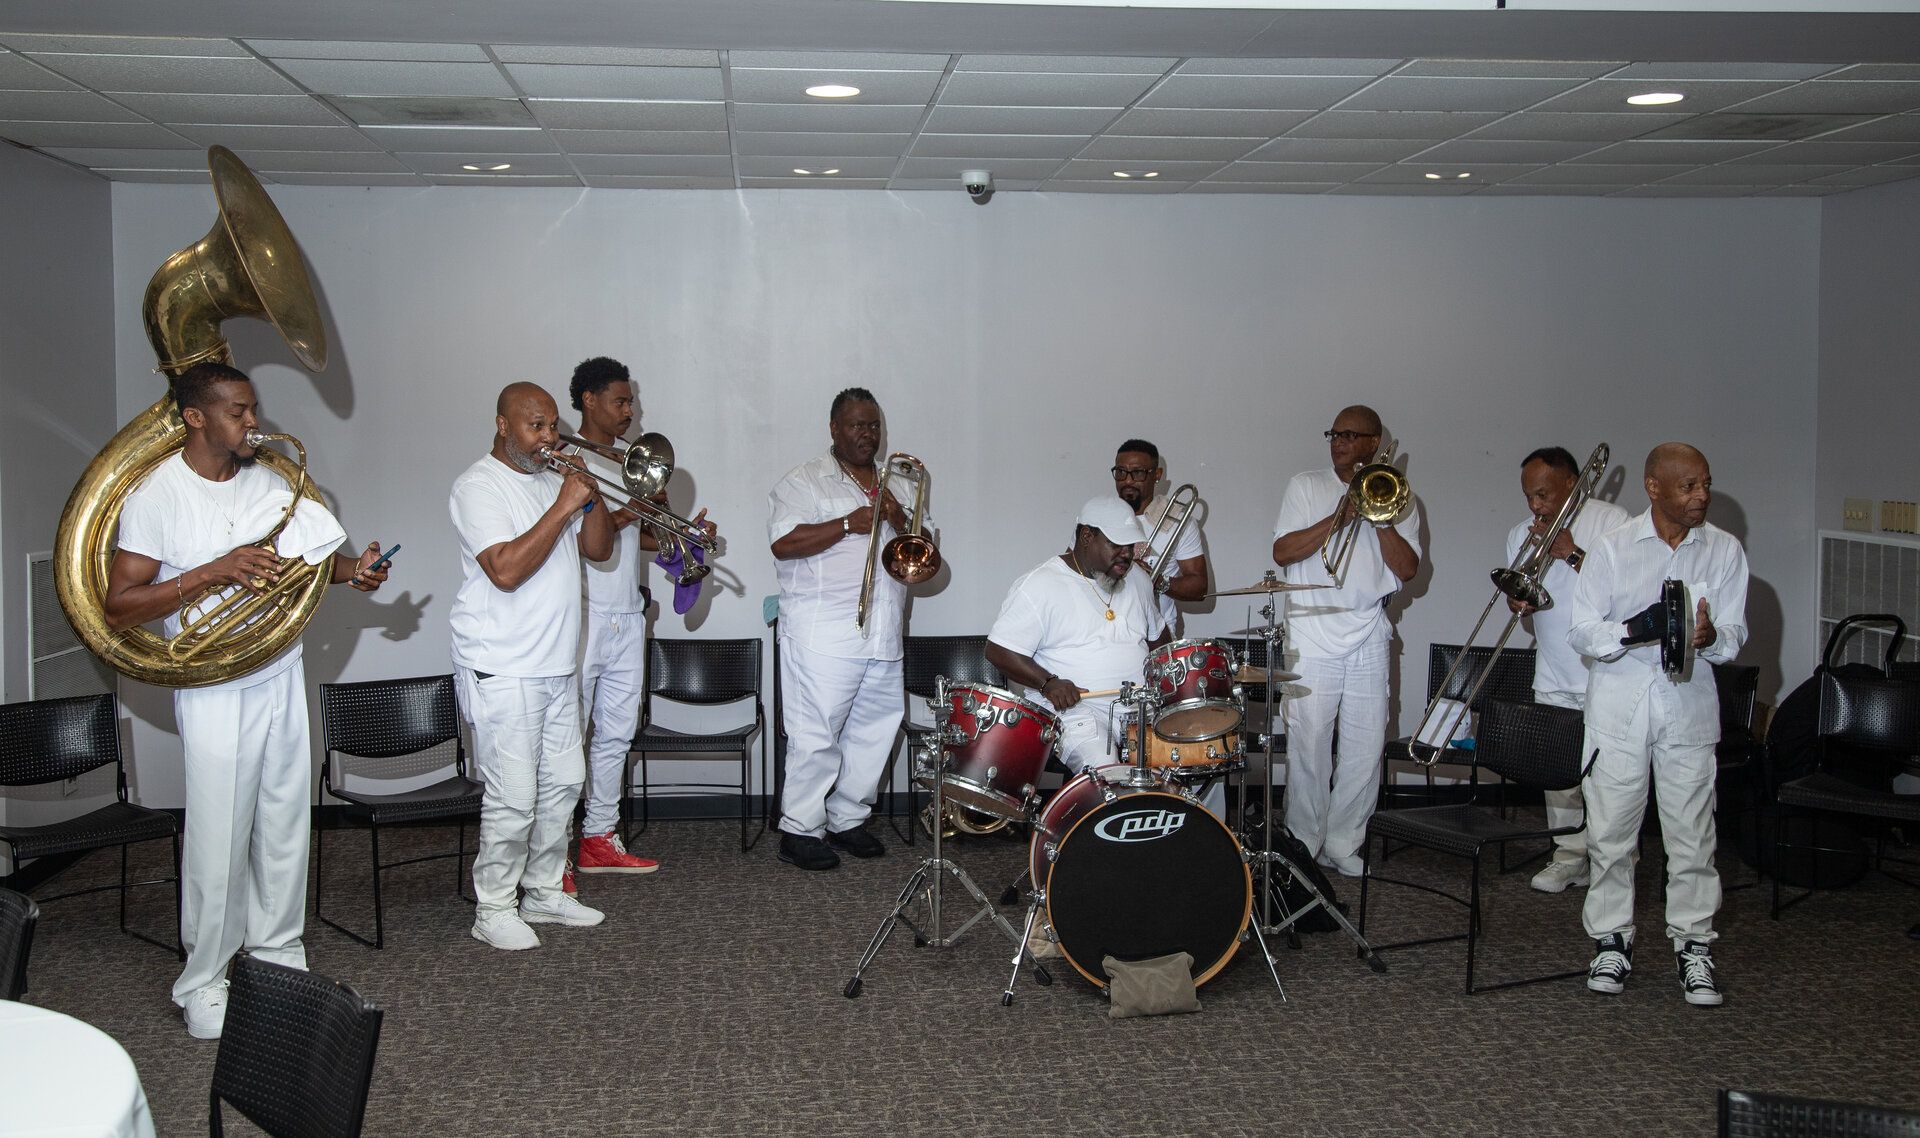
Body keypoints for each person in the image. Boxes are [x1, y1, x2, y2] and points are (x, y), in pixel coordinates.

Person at [105, 361, 388, 1039]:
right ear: (195, 418)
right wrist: (212, 571)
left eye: (252, 408)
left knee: (287, 817)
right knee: (218, 832)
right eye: (237, 411)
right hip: (210, 683)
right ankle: (203, 979)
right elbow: (119, 607)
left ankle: (277, 951)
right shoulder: (156, 495)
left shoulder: (272, 481)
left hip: (277, 669)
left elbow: (318, 563)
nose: (253, 422)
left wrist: (359, 572)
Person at [1567, 442, 1747, 1007]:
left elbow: (1737, 636)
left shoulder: (1724, 550)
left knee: (1693, 837)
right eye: (1688, 485)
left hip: (1688, 711)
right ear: (1653, 487)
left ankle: (1694, 946)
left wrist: (1712, 637)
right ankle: (1611, 940)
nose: (1701, 496)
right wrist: (1631, 631)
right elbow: (1582, 631)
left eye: (1705, 484)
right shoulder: (1614, 549)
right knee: (1612, 835)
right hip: (1619, 711)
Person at [450, 381, 615, 950]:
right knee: (514, 795)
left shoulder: (555, 482)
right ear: (502, 425)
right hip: (502, 664)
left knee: (565, 783)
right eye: (534, 426)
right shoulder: (478, 486)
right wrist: (564, 503)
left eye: (551, 425)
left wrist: (589, 497)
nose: (548, 437)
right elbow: (505, 569)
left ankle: (544, 891)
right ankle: (493, 906)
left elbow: (599, 549)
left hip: (554, 663)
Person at [565, 357, 714, 882]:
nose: (630, 411)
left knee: (616, 733)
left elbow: (637, 539)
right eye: (620, 401)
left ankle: (599, 837)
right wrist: (631, 508)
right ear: (589, 400)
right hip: (580, 615)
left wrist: (680, 534)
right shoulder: (566, 461)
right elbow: (583, 543)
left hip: (628, 613)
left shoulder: (632, 461)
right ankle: (552, 850)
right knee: (567, 735)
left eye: (631, 402)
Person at [1270, 405, 1422, 877]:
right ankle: (1303, 841)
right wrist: (1340, 514)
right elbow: (1282, 552)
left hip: (1369, 630)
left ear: (1375, 443)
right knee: (1308, 742)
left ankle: (1343, 841)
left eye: (1350, 435)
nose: (1338, 442)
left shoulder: (1401, 498)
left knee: (1365, 742)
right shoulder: (1306, 485)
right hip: (1312, 629)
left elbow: (1408, 569)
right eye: (1333, 433)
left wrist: (1380, 518)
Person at [768, 388, 915, 871]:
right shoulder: (804, 481)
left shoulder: (900, 485)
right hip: (822, 635)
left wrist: (903, 520)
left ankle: (847, 817)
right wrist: (849, 523)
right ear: (834, 428)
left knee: (874, 733)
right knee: (816, 735)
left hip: (884, 631)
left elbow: (920, 556)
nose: (867, 434)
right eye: (856, 425)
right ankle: (799, 828)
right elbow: (784, 543)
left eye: (873, 425)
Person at [1503, 447, 1630, 894]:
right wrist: (1518, 605)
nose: (1536, 507)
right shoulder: (1522, 533)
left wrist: (1572, 553)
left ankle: (1612, 865)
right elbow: (1530, 612)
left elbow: (1626, 595)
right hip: (1554, 670)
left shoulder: (1614, 521)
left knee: (1609, 779)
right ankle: (1569, 858)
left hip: (1607, 673)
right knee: (1561, 780)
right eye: (1529, 497)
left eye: (1544, 495)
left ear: (1574, 484)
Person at [985, 496, 1170, 775]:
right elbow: (998, 650)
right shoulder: (1041, 584)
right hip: (1076, 710)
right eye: (1116, 544)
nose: (1127, 554)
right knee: (1106, 769)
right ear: (1086, 536)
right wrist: (1048, 682)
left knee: (1191, 759)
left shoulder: (1138, 580)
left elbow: (1159, 639)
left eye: (1130, 545)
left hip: (1139, 708)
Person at [1112, 439, 1208, 637]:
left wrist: (1154, 580)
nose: (1127, 480)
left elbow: (1199, 587)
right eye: (1120, 472)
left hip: (1155, 640)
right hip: (1107, 635)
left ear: (1157, 475)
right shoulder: (1101, 517)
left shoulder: (1178, 521)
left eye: (1137, 473)